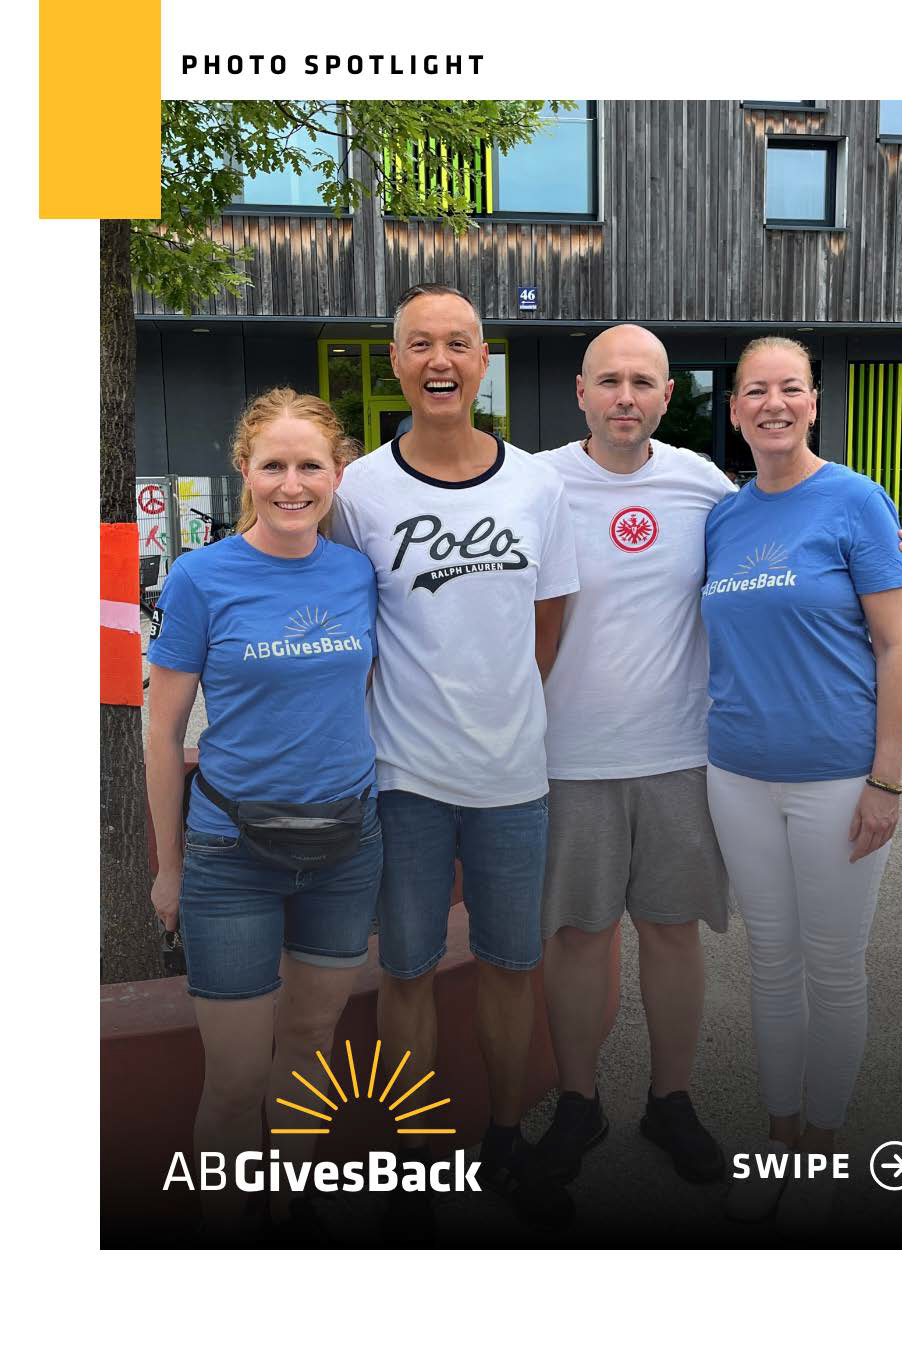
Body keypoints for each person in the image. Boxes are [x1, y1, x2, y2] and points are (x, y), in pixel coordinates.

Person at [534, 326, 902, 1194]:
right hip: (602, 758)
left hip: (691, 754)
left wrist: (885, 554)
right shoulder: (546, 483)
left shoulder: (707, 486)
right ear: (582, 393)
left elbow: (880, 622)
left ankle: (684, 1106)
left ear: (671, 397)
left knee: (698, 938)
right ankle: (583, 1104)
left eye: (643, 381)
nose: (625, 396)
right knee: (596, 939)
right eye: (608, 381)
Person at [331, 283, 580, 1231]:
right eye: (420, 344)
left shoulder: (537, 486)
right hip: (404, 778)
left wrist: (503, 705)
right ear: (395, 361)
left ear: (484, 360)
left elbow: (547, 622)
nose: (440, 360)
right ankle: (415, 1158)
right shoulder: (359, 492)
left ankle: (504, 1141)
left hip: (514, 776)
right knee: (407, 969)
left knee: (512, 963)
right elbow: (347, 620)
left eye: (459, 343)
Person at [146, 389, 381, 1243]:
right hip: (231, 853)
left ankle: (292, 1210)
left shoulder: (357, 572)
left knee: (312, 1039)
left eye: (310, 465)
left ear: (337, 474)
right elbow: (163, 731)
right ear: (244, 470)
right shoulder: (201, 577)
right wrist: (169, 868)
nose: (292, 484)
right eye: (273, 465)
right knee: (238, 1078)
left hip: (346, 844)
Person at [702, 336, 902, 1236]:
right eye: (756, 390)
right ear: (736, 409)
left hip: (836, 777)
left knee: (832, 968)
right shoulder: (722, 516)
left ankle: (822, 1150)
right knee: (771, 962)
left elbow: (896, 646)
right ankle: (780, 1139)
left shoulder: (859, 500)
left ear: (814, 402)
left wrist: (886, 780)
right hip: (736, 772)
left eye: (790, 387)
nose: (774, 403)